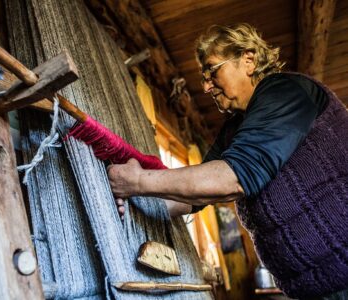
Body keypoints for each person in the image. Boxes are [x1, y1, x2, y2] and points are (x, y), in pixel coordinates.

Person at [107, 23, 348, 299]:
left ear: (248, 60)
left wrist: (137, 181)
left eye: (212, 70)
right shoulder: (234, 130)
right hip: (312, 288)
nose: (206, 86)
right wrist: (138, 201)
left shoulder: (285, 91)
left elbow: (232, 177)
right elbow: (194, 198)